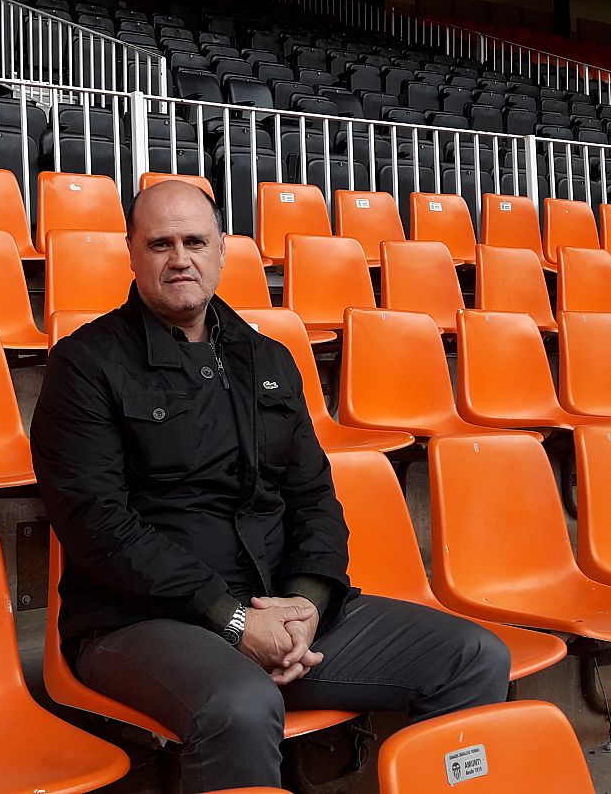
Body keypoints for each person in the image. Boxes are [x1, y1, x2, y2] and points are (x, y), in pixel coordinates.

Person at [31, 180, 510, 791]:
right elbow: (97, 526)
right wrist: (232, 619)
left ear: (222, 250)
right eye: (160, 244)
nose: (180, 258)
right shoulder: (85, 364)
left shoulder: (270, 360)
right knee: (239, 704)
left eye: (195, 241)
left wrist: (307, 603)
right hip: (141, 620)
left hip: (279, 608)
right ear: (131, 252)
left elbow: (314, 498)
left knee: (472, 657)